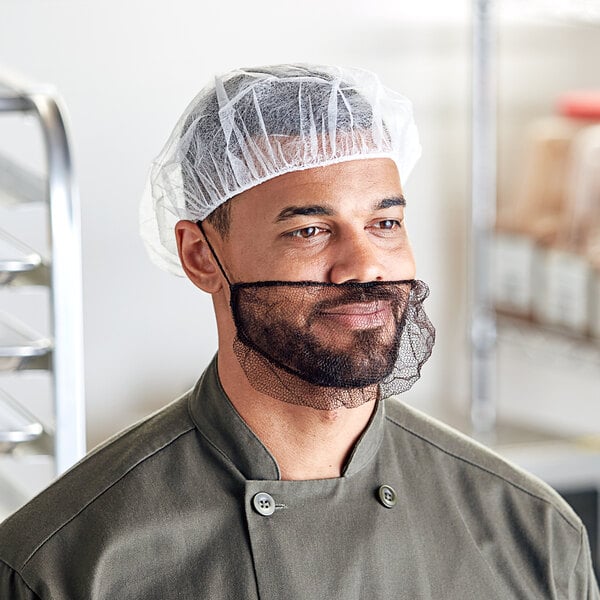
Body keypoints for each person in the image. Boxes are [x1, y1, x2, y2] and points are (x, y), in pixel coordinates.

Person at [0, 64, 597, 599]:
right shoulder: (62, 565)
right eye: (310, 230)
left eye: (385, 223)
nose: (365, 265)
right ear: (201, 256)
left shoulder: (533, 534)